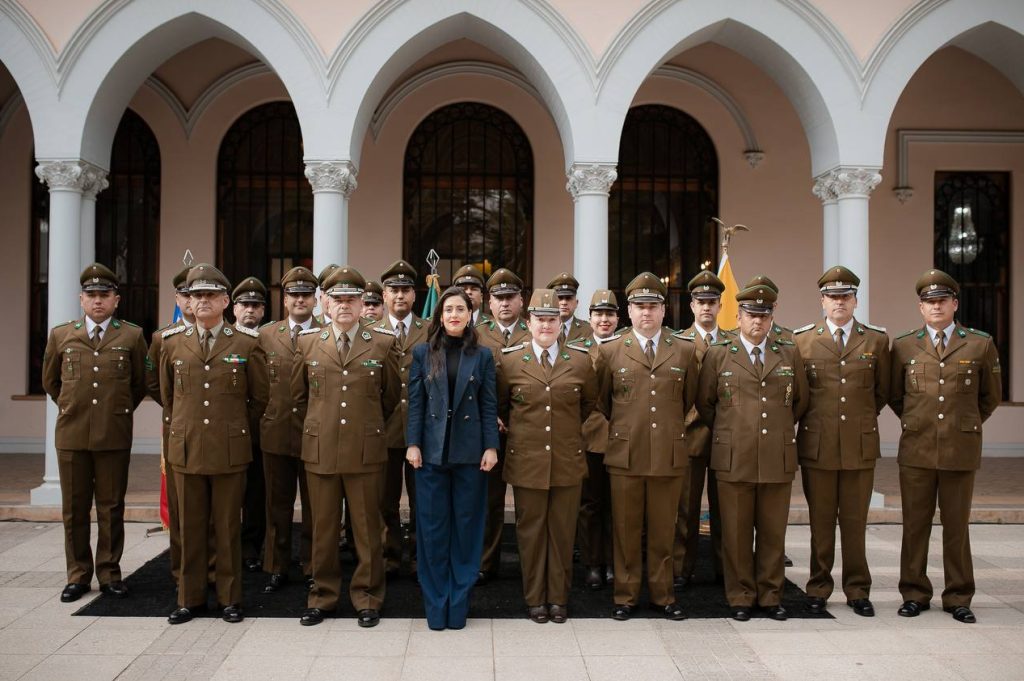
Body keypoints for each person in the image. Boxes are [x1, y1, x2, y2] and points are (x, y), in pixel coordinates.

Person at [890, 269, 1001, 624]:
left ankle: (958, 595)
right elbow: (896, 395)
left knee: (956, 526)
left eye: (941, 301)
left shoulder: (979, 344)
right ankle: (914, 593)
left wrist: (961, 424)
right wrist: (921, 421)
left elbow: (990, 398)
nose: (935, 307)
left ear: (954, 303)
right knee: (915, 525)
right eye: (928, 302)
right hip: (917, 449)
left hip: (959, 450)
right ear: (921, 308)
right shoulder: (905, 345)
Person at [292, 266, 400, 627]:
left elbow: (390, 397)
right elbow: (299, 396)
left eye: (351, 300)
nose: (344, 306)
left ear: (362, 303)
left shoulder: (382, 342)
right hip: (321, 450)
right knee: (323, 529)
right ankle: (322, 597)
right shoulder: (308, 342)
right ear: (324, 302)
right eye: (337, 300)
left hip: (365, 450)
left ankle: (368, 596)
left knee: (367, 529)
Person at [696, 282, 808, 622]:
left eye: (763, 315)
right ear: (738, 316)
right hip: (734, 457)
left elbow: (800, 401)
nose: (756, 321)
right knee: (736, 532)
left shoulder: (788, 351)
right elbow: (705, 403)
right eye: (749, 315)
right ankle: (740, 595)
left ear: (772, 316)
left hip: (776, 455)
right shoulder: (719, 353)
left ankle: (771, 595)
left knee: (773, 532)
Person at [160, 264, 265, 624]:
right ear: (188, 301)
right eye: (195, 295)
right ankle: (189, 598)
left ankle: (229, 598)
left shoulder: (247, 343)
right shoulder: (172, 343)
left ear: (225, 301)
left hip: (229, 450)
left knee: (227, 527)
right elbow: (168, 397)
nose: (201, 301)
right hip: (186, 449)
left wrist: (233, 428)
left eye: (209, 295)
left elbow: (259, 398)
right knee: (189, 528)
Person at [595, 272, 699, 621]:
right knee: (625, 530)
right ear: (629, 310)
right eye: (639, 306)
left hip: (668, 454)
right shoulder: (610, 350)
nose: (646, 313)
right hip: (626, 453)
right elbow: (601, 401)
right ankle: (625, 596)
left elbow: (691, 399)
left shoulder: (684, 350)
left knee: (663, 529)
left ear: (664, 310)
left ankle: (662, 595)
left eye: (653, 306)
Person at [42, 263, 148, 603]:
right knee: (74, 508)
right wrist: (75, 407)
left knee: (110, 506)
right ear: (81, 299)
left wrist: (112, 411)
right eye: (91, 295)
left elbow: (139, 384)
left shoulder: (131, 335)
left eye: (104, 295)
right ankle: (77, 575)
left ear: (116, 300)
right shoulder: (62, 335)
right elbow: (51, 382)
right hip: (72, 434)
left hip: (113, 433)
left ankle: (109, 573)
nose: (97, 301)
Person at [794, 266, 890, 617]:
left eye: (845, 296)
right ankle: (818, 586)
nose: (839, 302)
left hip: (858, 445)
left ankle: (857, 589)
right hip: (817, 445)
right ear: (822, 301)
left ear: (855, 301)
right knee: (820, 522)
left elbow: (882, 392)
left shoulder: (876, 340)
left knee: (855, 522)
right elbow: (800, 396)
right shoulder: (801, 340)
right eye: (832, 297)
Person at [497, 289, 597, 623]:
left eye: (552, 319)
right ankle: (535, 598)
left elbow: (588, 404)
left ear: (561, 322)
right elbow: (501, 407)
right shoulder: (510, 361)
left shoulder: (581, 360)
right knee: (531, 534)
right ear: (529, 321)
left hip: (567, 461)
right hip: (527, 462)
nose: (546, 325)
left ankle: (558, 598)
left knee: (562, 533)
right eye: (540, 319)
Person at [405, 286, 500, 630]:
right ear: (440, 316)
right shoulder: (422, 353)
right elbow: (415, 403)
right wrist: (412, 443)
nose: (455, 315)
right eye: (449, 310)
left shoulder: (483, 356)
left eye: (461, 309)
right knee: (431, 532)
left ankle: (458, 604)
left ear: (470, 314)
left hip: (469, 455)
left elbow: (490, 405)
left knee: (466, 530)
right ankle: (435, 605)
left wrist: (491, 446)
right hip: (429, 455)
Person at [252, 267, 317, 595]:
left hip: (314, 433)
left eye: (306, 294)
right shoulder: (267, 335)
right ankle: (276, 566)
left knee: (315, 506)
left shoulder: (326, 332)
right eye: (293, 294)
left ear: (316, 299)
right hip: (276, 431)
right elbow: (256, 386)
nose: (300, 299)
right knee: (277, 505)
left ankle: (312, 565)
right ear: (284, 298)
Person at [672, 270, 735, 588]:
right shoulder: (679, 342)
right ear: (692, 306)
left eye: (712, 302)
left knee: (726, 508)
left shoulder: (733, 342)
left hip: (726, 434)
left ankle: (726, 569)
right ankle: (683, 568)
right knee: (686, 507)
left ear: (720, 305)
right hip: (691, 433)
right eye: (701, 302)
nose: (707, 308)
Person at [474, 267, 531, 583]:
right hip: (489, 432)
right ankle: (486, 562)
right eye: (499, 298)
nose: (505, 304)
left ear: (521, 301)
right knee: (490, 502)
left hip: (526, 430)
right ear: (489, 302)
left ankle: (529, 563)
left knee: (527, 503)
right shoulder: (478, 334)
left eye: (510, 297)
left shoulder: (535, 330)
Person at [376, 259, 429, 578]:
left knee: (423, 501)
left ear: (414, 295)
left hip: (421, 429)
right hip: (382, 428)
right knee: (385, 501)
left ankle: (421, 555)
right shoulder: (369, 332)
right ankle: (389, 555)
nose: (399, 296)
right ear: (383, 295)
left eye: (405, 290)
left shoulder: (429, 329)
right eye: (393, 290)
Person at [145, 266, 194, 585]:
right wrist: (180, 411)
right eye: (188, 295)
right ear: (178, 298)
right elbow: (153, 383)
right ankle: (182, 571)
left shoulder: (232, 337)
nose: (194, 302)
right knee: (181, 507)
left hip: (217, 432)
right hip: (179, 429)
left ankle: (215, 567)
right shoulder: (162, 338)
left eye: (202, 294)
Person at [572, 289, 619, 590]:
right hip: (587, 437)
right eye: (599, 314)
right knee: (590, 504)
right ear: (589, 318)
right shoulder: (576, 350)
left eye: (609, 314)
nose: (604, 319)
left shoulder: (627, 347)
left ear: (618, 318)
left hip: (621, 437)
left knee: (618, 506)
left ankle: (615, 562)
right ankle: (591, 563)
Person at [232, 276, 268, 573]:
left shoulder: (269, 339)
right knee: (229, 495)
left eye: (256, 305)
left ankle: (252, 547)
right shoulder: (224, 338)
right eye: (245, 304)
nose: (250, 311)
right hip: (225, 431)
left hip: (258, 430)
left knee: (256, 494)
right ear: (234, 308)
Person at [547, 272, 594, 345]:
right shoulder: (543, 329)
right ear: (551, 302)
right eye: (560, 298)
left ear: (576, 303)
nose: (564, 302)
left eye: (568, 298)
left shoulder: (588, 330)